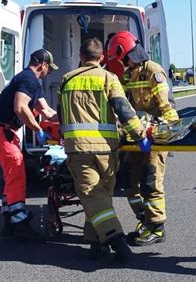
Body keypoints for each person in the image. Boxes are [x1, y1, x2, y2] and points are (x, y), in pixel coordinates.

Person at [59, 38, 150, 261]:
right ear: (101, 58)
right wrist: (140, 135)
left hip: (77, 148)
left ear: (81, 57)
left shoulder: (66, 80)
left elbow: (61, 116)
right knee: (100, 195)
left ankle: (96, 241)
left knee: (93, 196)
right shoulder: (109, 78)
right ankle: (115, 240)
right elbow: (123, 109)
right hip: (106, 150)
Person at [106, 31, 179, 246]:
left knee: (150, 182)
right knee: (129, 182)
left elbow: (167, 106)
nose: (122, 63)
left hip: (154, 136)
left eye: (122, 58)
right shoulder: (128, 75)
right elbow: (126, 107)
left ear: (126, 52)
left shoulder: (153, 71)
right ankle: (145, 221)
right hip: (136, 136)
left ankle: (156, 227)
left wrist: (168, 133)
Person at [0, 49, 58, 241]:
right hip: (1, 131)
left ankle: (9, 219)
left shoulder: (33, 82)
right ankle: (19, 222)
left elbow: (47, 110)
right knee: (17, 172)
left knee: (11, 175)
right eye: (49, 68)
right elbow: (20, 107)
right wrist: (37, 130)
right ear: (42, 64)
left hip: (2, 131)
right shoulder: (28, 79)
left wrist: (65, 120)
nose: (49, 72)